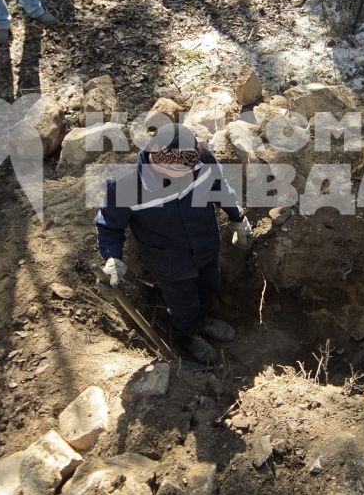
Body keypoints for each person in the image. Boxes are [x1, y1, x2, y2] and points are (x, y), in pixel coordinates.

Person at [94, 124, 250, 365]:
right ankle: (185, 336)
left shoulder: (200, 160)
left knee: (210, 287)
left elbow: (220, 188)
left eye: (192, 164)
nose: (190, 172)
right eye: (181, 167)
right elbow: (109, 227)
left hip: (206, 246)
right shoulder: (125, 185)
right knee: (183, 305)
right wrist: (112, 258)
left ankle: (203, 319)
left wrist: (237, 218)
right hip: (170, 263)